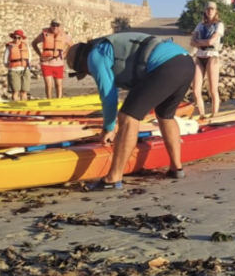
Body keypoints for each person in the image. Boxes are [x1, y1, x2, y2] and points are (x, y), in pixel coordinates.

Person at [66, 32, 194, 190]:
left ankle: (113, 178)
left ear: (82, 63)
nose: (89, 73)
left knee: (127, 117)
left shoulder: (95, 56)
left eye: (85, 72)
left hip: (166, 66)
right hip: (185, 62)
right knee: (165, 115)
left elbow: (109, 96)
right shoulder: (107, 47)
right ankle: (176, 168)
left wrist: (108, 128)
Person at [190, 1, 225, 117]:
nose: (210, 11)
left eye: (212, 9)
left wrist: (198, 42)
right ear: (205, 11)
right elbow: (191, 42)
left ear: (216, 11)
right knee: (195, 90)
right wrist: (201, 42)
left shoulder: (219, 25)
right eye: (208, 9)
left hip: (212, 56)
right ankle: (202, 115)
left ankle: (215, 115)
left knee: (213, 89)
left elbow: (211, 41)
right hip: (200, 56)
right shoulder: (200, 25)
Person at [32, 19, 72, 99]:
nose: (55, 27)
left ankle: (58, 100)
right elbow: (34, 43)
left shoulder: (63, 35)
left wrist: (65, 54)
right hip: (46, 63)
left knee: (58, 84)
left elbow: (71, 45)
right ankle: (49, 100)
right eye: (53, 25)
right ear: (50, 25)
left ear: (59, 26)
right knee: (48, 84)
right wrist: (40, 55)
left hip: (58, 63)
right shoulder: (44, 34)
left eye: (57, 25)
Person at [3, 29, 31, 101]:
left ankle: (24, 107)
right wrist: (11, 66)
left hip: (25, 70)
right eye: (15, 37)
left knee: (24, 91)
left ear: (21, 38)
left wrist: (25, 65)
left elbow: (29, 57)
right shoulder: (10, 47)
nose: (17, 39)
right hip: (14, 70)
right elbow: (5, 60)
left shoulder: (26, 46)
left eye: (19, 38)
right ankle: (16, 107)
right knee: (15, 91)